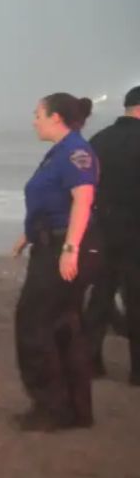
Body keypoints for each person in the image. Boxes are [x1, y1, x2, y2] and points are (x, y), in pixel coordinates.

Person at [9, 93, 98, 432]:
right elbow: (52, 201)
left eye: (38, 114)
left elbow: (83, 199)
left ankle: (51, 407)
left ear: (56, 117)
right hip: (52, 241)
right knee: (63, 327)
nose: (34, 120)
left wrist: (70, 248)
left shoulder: (75, 152)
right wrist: (29, 234)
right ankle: (75, 408)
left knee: (35, 323)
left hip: (63, 247)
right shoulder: (59, 153)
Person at [86, 85, 140, 384]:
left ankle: (92, 361)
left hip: (102, 229)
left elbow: (83, 185)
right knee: (136, 300)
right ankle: (137, 370)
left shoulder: (100, 140)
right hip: (136, 232)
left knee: (101, 296)